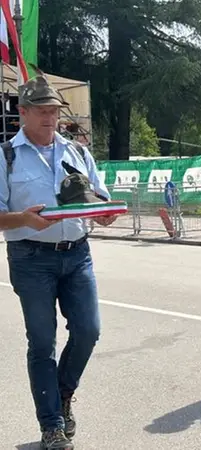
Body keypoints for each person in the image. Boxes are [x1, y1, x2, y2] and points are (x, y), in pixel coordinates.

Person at [0, 76, 116, 449]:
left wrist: (104, 213)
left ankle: (62, 394)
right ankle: (51, 425)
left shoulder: (77, 152)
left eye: (54, 110)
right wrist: (22, 219)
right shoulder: (6, 156)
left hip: (77, 254)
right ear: (23, 113)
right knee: (42, 342)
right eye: (42, 111)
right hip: (30, 257)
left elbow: (99, 196)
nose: (50, 117)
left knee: (88, 331)